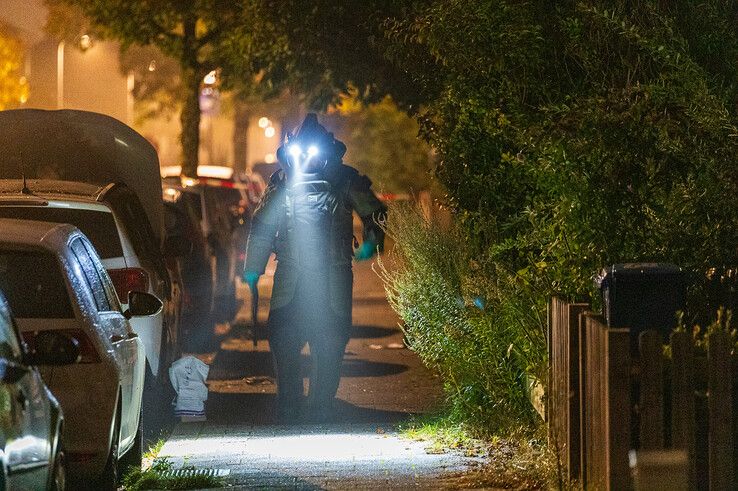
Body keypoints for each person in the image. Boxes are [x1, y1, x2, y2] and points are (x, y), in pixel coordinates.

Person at [242, 114, 387, 423]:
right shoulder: (293, 180)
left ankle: (315, 405)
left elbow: (375, 214)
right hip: (308, 277)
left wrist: (369, 244)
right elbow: (264, 226)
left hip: (320, 277)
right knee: (289, 339)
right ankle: (296, 404)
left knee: (328, 340)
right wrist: (253, 269)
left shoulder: (329, 179)